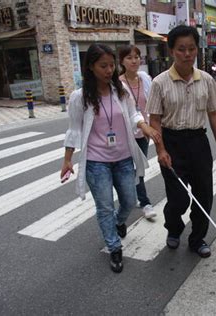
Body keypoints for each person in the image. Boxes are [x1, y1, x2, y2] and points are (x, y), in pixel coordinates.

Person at [61, 43, 161, 273]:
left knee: (128, 200)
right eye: (103, 66)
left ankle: (118, 222)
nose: (108, 70)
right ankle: (114, 246)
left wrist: (143, 125)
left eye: (111, 65)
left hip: (124, 157)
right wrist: (67, 160)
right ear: (91, 67)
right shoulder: (80, 97)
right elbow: (74, 130)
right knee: (104, 206)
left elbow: (133, 112)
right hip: (97, 162)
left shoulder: (120, 90)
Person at [146, 25, 216, 259]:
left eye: (191, 48)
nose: (187, 54)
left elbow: (213, 113)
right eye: (181, 49)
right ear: (171, 51)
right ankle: (174, 228)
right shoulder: (160, 83)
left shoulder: (207, 80)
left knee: (204, 195)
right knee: (178, 198)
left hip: (198, 142)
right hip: (172, 143)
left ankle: (197, 239)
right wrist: (160, 149)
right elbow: (155, 119)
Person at [118, 45, 157, 220]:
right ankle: (142, 201)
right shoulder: (118, 84)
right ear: (121, 61)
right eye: (129, 58)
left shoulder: (145, 79)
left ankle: (138, 200)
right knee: (128, 170)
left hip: (143, 133)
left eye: (136, 57)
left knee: (139, 168)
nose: (134, 61)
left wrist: (150, 126)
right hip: (125, 135)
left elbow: (152, 104)